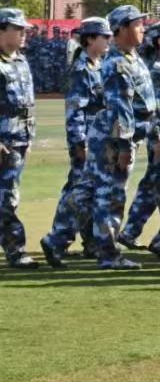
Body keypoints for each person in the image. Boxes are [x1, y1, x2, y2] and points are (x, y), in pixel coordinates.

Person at [83, 5, 159, 271]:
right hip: (114, 142)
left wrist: (155, 136)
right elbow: (120, 108)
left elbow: (148, 104)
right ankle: (107, 255)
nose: (143, 29)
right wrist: (124, 145)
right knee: (110, 197)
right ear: (123, 29)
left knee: (104, 194)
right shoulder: (117, 63)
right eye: (137, 24)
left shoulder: (133, 58)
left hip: (127, 138)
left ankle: (62, 240)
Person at [39, 16, 112, 267]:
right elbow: (75, 110)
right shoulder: (82, 69)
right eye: (104, 37)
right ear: (90, 39)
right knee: (80, 192)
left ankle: (90, 242)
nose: (109, 41)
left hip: (99, 138)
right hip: (87, 140)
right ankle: (57, 239)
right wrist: (79, 142)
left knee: (87, 192)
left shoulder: (99, 65)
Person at [118, 20, 160, 251]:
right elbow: (154, 109)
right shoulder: (157, 70)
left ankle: (130, 232)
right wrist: (157, 139)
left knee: (152, 185)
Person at [0, 7, 36, 269]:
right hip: (3, 141)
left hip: (18, 139)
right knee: (6, 198)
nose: (24, 33)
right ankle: (15, 250)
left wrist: (28, 139)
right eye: (18, 29)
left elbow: (26, 105)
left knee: (9, 195)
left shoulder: (21, 61)